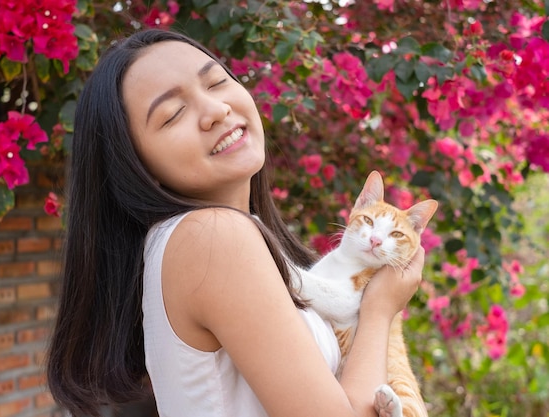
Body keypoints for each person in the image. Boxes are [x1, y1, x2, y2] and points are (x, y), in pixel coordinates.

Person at [46, 28, 425, 417]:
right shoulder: (212, 237)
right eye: (173, 113)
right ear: (136, 166)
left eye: (216, 81)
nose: (216, 111)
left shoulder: (203, 240)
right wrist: (381, 310)